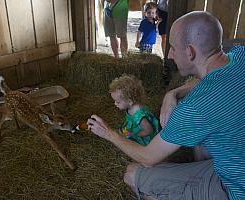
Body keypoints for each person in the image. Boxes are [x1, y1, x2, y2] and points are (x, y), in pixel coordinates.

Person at [87, 11, 245, 200]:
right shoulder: (240, 55)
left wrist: (108, 133)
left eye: (173, 48)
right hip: (235, 161)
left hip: (234, 187)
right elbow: (208, 81)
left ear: (190, 51)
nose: (169, 54)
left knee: (131, 173)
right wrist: (173, 93)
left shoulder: (194, 107)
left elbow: (148, 156)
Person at [109, 74, 161, 146]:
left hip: (144, 136)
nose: (115, 104)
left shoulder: (139, 116)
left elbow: (149, 131)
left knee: (125, 139)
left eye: (118, 102)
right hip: (135, 126)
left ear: (130, 101)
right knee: (121, 132)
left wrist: (134, 134)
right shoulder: (130, 106)